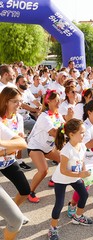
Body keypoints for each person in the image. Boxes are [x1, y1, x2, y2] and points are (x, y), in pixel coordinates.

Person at [47, 119, 93, 240]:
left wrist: (85, 173)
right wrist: (80, 174)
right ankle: (53, 228)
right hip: (61, 179)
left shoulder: (82, 146)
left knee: (84, 194)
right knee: (59, 204)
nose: (84, 134)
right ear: (71, 135)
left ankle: (78, 216)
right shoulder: (66, 151)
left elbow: (82, 161)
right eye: (82, 132)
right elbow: (63, 170)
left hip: (74, 176)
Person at [27, 90, 64, 203]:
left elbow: (65, 129)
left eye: (59, 100)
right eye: (56, 100)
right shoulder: (44, 116)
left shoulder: (58, 114)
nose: (59, 102)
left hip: (48, 147)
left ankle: (53, 179)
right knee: (43, 170)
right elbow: (55, 132)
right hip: (35, 146)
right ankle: (30, 192)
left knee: (65, 160)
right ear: (48, 101)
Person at [0, 87, 31, 215]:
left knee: (25, 190)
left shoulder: (18, 118)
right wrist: (12, 146)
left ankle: (13, 213)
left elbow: (21, 144)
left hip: (8, 160)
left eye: (20, 101)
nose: (19, 105)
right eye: (15, 101)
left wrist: (4, 151)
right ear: (5, 101)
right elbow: (18, 143)